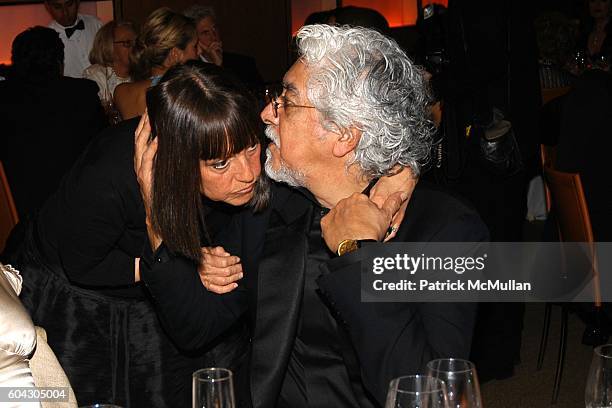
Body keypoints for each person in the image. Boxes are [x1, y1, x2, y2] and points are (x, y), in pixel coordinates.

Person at [138, 25, 488, 407]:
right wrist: (159, 220)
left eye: (286, 100)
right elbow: (197, 328)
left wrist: (358, 254)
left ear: (342, 135)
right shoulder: (273, 204)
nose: (266, 113)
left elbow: (429, 395)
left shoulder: (444, 231)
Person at [3, 62, 268, 407]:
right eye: (220, 164)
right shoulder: (109, 178)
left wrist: (187, 259)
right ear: (178, 162)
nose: (249, 173)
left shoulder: (241, 170)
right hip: (83, 288)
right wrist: (189, 260)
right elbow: (83, 265)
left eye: (251, 148)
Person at [0, 26, 106, 219]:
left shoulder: (5, 97)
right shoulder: (82, 93)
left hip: (17, 212)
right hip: (76, 210)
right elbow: (101, 151)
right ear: (59, 61)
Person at [114, 7, 198, 120]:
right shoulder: (185, 94)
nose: (200, 51)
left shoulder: (122, 92)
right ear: (175, 54)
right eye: (195, 47)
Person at [183, 5, 263, 93]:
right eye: (205, 33)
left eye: (215, 29)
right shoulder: (190, 69)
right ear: (195, 38)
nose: (214, 36)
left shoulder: (244, 63)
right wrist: (217, 66)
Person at [83, 20, 136, 124]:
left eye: (136, 42)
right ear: (109, 46)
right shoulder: (95, 75)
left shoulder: (143, 73)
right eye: (127, 43)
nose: (135, 48)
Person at [44, 0, 102, 78]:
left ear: (78, 1)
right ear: (48, 7)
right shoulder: (46, 40)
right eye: (57, 7)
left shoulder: (96, 24)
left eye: (69, 4)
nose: (65, 12)